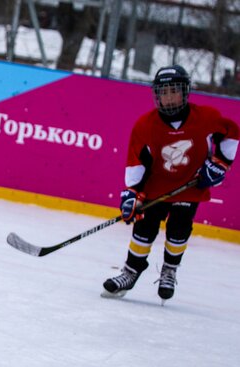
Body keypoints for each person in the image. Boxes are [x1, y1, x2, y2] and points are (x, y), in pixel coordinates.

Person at [102, 65, 238, 301]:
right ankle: (131, 271)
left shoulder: (207, 117)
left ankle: (169, 270)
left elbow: (232, 133)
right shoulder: (145, 125)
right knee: (144, 228)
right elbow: (137, 161)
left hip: (190, 187)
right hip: (155, 189)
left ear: (185, 92)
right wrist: (131, 193)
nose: (169, 97)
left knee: (179, 229)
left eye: (174, 91)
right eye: (163, 92)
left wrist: (220, 163)